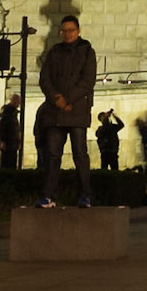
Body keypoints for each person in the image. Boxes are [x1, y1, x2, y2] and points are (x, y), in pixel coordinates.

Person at [37, 14, 97, 208]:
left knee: (80, 154)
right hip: (56, 112)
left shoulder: (87, 51)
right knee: (53, 155)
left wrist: (67, 99)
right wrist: (57, 99)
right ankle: (49, 196)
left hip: (76, 111)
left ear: (78, 31)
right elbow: (44, 79)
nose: (67, 34)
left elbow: (87, 81)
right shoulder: (54, 51)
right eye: (64, 31)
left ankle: (85, 195)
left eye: (71, 30)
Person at [0, 94, 22, 171]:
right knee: (7, 162)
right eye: (18, 101)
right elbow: (2, 126)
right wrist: (2, 141)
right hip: (8, 142)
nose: (19, 103)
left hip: (12, 142)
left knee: (11, 162)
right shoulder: (7, 111)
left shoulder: (12, 111)